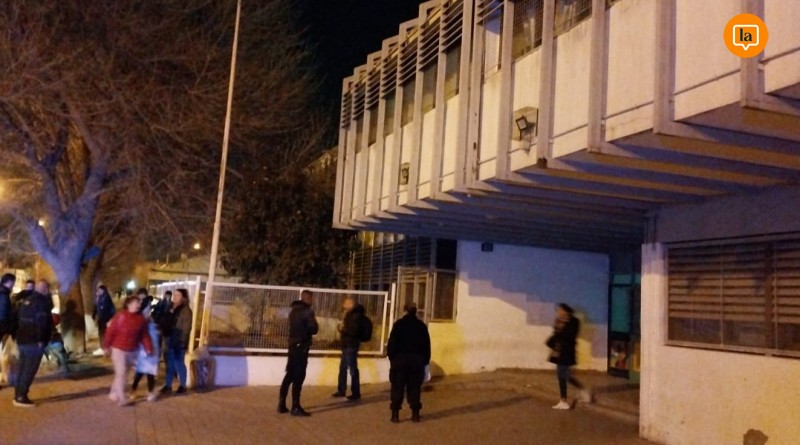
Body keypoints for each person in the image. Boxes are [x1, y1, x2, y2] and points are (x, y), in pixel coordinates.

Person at [104, 295, 153, 406]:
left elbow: (144, 335)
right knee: (121, 372)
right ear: (129, 304)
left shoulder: (140, 319)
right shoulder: (120, 316)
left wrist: (148, 347)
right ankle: (121, 398)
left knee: (124, 374)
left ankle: (113, 393)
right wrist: (106, 346)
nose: (139, 305)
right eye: (136, 302)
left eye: (139, 303)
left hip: (132, 350)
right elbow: (111, 331)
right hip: (118, 349)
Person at [13, 280, 54, 407]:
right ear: (45, 289)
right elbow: (42, 323)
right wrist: (41, 339)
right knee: (29, 369)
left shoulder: (26, 301)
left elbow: (17, 319)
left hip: (22, 339)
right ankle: (21, 396)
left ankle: (18, 393)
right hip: (34, 341)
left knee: (22, 368)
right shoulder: (41, 303)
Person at [387, 303, 431, 423]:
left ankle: (395, 414)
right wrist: (425, 361)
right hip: (416, 361)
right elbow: (426, 346)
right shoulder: (421, 326)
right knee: (414, 387)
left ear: (405, 310)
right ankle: (415, 414)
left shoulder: (398, 325)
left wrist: (392, 358)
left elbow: (392, 344)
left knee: (397, 387)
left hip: (400, 360)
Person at [278, 290, 318, 417]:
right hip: (302, 346)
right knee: (299, 376)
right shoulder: (307, 311)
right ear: (308, 298)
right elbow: (314, 329)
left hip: (292, 345)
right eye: (311, 298)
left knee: (289, 374)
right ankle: (295, 406)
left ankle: (281, 403)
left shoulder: (293, 310)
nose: (312, 301)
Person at [546, 303, 591, 410]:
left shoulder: (574, 321)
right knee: (563, 376)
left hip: (567, 352)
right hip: (559, 352)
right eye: (558, 311)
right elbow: (556, 335)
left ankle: (568, 399)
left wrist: (561, 328)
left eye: (560, 310)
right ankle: (570, 397)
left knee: (564, 376)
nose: (558, 312)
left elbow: (570, 336)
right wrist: (551, 341)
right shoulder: (559, 321)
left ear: (566, 311)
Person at [159, 288, 192, 395]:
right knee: (170, 364)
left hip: (178, 340)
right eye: (175, 295)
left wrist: (182, 341)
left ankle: (182, 385)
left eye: (178, 295)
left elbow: (186, 328)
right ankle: (168, 385)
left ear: (183, 298)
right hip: (169, 338)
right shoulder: (171, 307)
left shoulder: (186, 311)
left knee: (179, 363)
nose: (175, 297)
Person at [332, 297, 364, 401]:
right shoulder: (349, 314)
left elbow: (353, 330)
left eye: (345, 303)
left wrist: (343, 329)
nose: (344, 305)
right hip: (346, 344)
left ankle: (355, 392)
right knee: (343, 368)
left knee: (352, 369)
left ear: (351, 304)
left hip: (351, 344)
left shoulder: (355, 316)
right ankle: (341, 389)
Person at [131, 296, 160, 402]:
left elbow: (155, 338)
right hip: (143, 352)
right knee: (140, 373)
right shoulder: (140, 322)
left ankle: (150, 392)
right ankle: (133, 390)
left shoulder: (152, 323)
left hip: (152, 351)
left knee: (150, 374)